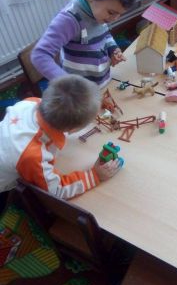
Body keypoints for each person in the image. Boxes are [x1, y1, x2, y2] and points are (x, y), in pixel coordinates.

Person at [0, 75, 121, 203]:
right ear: (73, 130)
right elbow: (55, 191)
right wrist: (95, 175)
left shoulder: (30, 102)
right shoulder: (33, 156)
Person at [31, 0, 137, 88]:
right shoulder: (69, 19)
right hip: (81, 94)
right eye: (111, 12)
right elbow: (40, 55)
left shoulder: (98, 11)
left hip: (101, 83)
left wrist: (112, 48)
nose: (115, 18)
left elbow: (104, 34)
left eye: (120, 14)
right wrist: (68, 83)